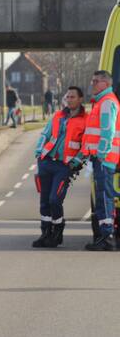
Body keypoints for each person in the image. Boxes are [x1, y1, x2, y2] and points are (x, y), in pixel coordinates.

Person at [32, 86, 86, 248]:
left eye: (72, 97)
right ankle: (45, 233)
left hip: (65, 166)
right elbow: (45, 134)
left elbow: (87, 145)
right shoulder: (57, 116)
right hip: (46, 162)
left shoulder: (86, 120)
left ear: (80, 99)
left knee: (55, 200)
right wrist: (39, 152)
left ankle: (57, 232)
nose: (69, 100)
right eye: (67, 97)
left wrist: (76, 161)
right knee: (44, 201)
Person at [81, 70, 120, 251]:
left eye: (95, 81)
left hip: (104, 158)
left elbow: (108, 131)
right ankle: (106, 235)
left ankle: (107, 237)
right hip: (101, 158)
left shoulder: (107, 103)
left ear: (105, 83)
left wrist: (101, 154)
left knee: (104, 197)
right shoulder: (102, 102)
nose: (93, 84)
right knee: (103, 196)